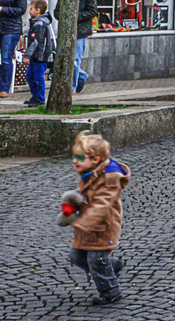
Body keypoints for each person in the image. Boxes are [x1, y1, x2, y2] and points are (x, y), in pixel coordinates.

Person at [64, 130, 129, 306]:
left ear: (95, 159)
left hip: (103, 227)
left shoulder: (109, 178)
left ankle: (111, 293)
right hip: (89, 227)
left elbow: (102, 204)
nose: (74, 160)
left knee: (96, 260)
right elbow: (88, 196)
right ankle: (111, 266)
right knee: (76, 256)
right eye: (74, 156)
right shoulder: (89, 172)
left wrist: (82, 222)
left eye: (79, 157)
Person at [24, 0, 57, 107]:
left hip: (40, 56)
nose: (29, 11)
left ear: (38, 10)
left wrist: (27, 55)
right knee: (30, 76)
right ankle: (35, 96)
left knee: (37, 77)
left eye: (31, 9)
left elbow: (36, 41)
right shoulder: (37, 23)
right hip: (36, 56)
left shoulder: (40, 24)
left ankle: (39, 98)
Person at [74, 0, 98, 93]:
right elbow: (57, 11)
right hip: (68, 32)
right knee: (70, 60)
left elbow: (93, 11)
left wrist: (77, 16)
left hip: (81, 32)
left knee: (75, 60)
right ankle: (82, 75)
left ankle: (73, 86)